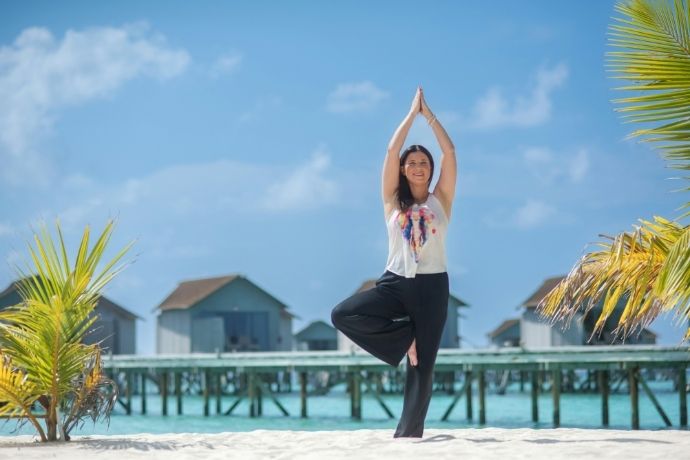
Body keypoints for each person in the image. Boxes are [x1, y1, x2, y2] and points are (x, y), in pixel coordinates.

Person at [331, 86, 457, 438]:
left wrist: (428, 116)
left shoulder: (440, 201)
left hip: (433, 287)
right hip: (395, 283)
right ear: (403, 169)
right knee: (343, 313)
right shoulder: (392, 201)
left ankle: (408, 437)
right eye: (412, 163)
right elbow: (390, 150)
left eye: (424, 163)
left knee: (423, 369)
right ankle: (406, 339)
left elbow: (450, 151)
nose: (418, 167)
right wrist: (410, 114)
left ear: (430, 170)